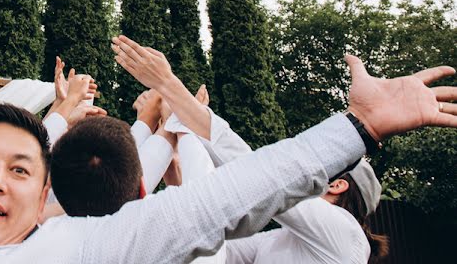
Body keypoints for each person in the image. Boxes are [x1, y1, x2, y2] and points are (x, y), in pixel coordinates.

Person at [0, 1, 456, 263]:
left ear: (42, 191)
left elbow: (216, 203)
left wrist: (356, 125)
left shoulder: (79, 249)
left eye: (20, 169)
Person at [163, 85, 389, 263]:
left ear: (336, 185)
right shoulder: (280, 238)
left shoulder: (345, 233)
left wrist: (188, 122)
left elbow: (265, 179)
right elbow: (211, 249)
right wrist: (175, 166)